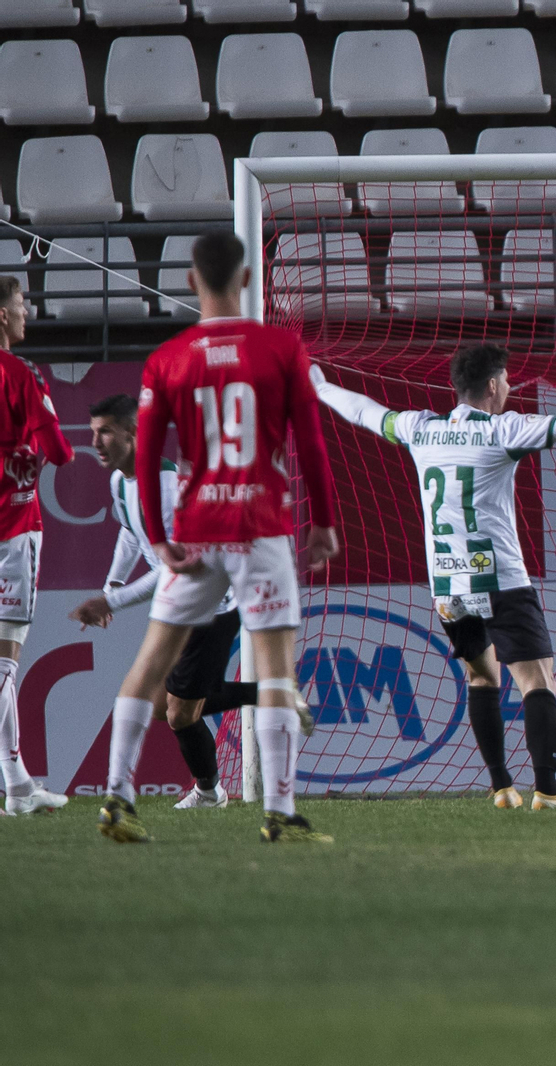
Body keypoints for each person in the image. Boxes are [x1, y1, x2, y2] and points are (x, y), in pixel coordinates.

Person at [313, 345, 556, 812]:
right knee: (537, 681)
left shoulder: (422, 428)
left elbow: (366, 412)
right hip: (500, 579)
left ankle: (502, 786)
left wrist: (321, 388)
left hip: (448, 586)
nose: (509, 388)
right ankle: (546, 789)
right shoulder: (503, 430)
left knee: (482, 679)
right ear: (490, 386)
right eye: (505, 380)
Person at [96, 230, 339, 845]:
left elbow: (148, 458)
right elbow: (311, 445)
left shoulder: (169, 358)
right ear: (250, 279)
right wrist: (325, 524)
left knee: (150, 662)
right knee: (277, 672)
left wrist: (159, 538)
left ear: (189, 282)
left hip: (199, 533)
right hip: (261, 531)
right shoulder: (282, 349)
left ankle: (118, 800)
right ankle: (279, 812)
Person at [70, 394, 310, 811]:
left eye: (106, 431)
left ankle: (209, 791)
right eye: (93, 432)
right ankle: (273, 693)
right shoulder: (121, 482)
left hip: (212, 605)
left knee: (179, 712)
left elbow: (174, 566)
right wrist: (112, 582)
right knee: (169, 708)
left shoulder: (167, 487)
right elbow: (132, 531)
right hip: (182, 605)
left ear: (133, 433)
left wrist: (112, 600)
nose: (96, 441)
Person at [0, 275, 71, 817]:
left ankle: (18, 786)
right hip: (11, 532)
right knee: (4, 664)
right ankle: (18, 786)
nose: (28, 313)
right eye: (21, 304)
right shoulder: (19, 376)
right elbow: (61, 451)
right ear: (2, 315)